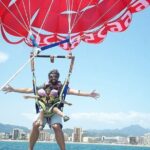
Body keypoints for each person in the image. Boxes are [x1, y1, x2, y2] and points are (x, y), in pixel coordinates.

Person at [2, 69, 100, 150]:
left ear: (58, 78)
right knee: (35, 125)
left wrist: (89, 94)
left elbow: (75, 92)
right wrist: (13, 89)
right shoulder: (43, 87)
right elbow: (29, 90)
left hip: (55, 110)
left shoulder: (62, 88)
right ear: (49, 77)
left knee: (56, 126)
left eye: (55, 76)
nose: (53, 78)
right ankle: (30, 149)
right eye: (52, 76)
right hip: (43, 111)